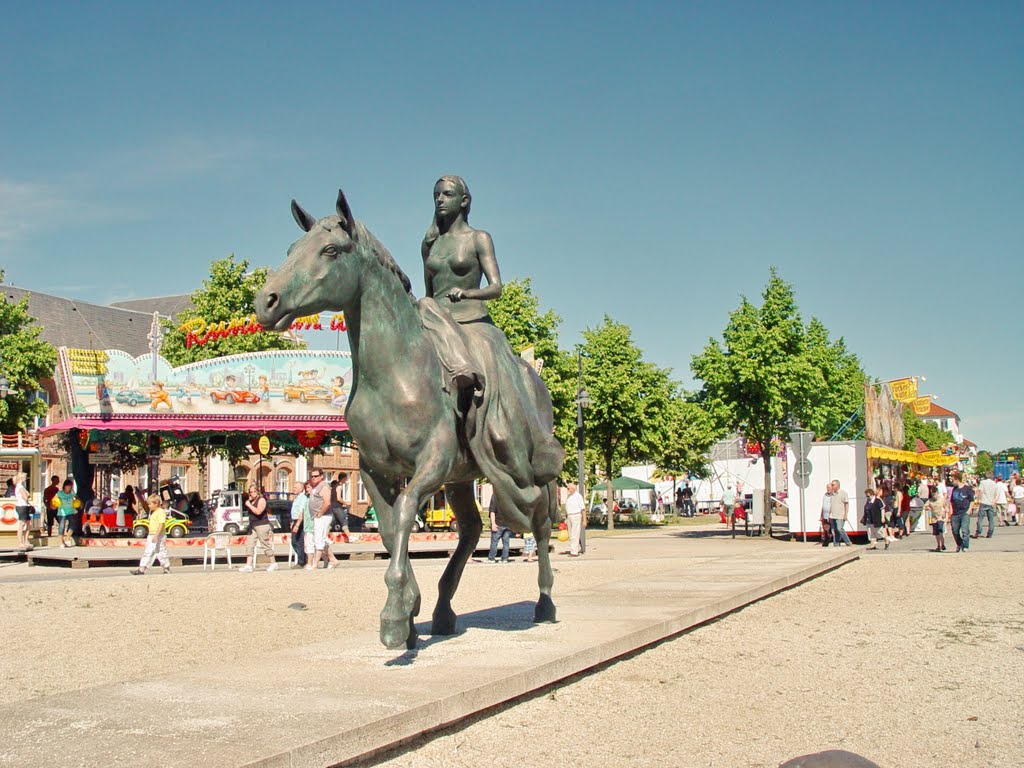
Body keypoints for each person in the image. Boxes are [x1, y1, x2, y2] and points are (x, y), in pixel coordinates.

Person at [418, 175, 502, 399]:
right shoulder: (430, 244)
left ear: (464, 201)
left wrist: (467, 293)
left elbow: (496, 288)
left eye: (447, 194)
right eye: (436, 195)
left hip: (472, 319)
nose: (440, 200)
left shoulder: (479, 238)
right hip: (436, 319)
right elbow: (429, 294)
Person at [238, 485, 277, 573]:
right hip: (252, 525)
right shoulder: (251, 501)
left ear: (258, 492)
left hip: (262, 524)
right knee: (250, 544)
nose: (252, 493)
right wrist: (249, 503)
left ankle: (273, 563)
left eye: (254, 491)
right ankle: (248, 565)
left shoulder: (261, 500)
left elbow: (258, 512)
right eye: (251, 492)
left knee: (265, 544)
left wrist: (249, 505)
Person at [131, 494, 170, 575]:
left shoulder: (160, 512)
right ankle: (142, 568)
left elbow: (161, 524)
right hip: (152, 534)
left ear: (156, 503)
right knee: (150, 551)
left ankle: (166, 567)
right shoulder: (153, 512)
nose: (149, 506)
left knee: (160, 551)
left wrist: (156, 535)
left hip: (158, 535)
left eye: (150, 504)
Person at [308, 470, 339, 570]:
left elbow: (327, 503)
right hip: (318, 516)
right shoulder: (316, 487)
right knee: (322, 539)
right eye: (312, 476)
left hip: (323, 516)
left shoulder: (324, 486)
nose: (313, 478)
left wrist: (320, 513)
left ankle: (315, 564)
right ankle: (333, 560)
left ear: (321, 476)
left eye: (316, 476)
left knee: (318, 539)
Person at [949, 474, 975, 552]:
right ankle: (959, 544)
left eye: (953, 480)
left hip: (964, 512)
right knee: (955, 531)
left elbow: (972, 500)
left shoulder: (967, 489)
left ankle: (965, 546)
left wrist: (969, 510)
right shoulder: (954, 489)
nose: (952, 482)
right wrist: (951, 511)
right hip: (955, 513)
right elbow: (951, 501)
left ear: (957, 480)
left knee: (965, 530)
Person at [53, 480, 78, 548]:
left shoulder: (72, 493)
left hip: (70, 511)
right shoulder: (59, 493)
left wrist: (77, 502)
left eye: (71, 486)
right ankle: (61, 542)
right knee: (62, 526)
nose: (69, 488)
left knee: (73, 523)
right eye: (68, 486)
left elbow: (76, 498)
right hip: (62, 512)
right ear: (65, 486)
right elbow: (54, 501)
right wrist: (54, 505)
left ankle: (67, 538)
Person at [487, 494, 512, 563]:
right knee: (506, 542)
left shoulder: (495, 496)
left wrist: (493, 523)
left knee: (494, 542)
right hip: (508, 524)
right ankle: (505, 558)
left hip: (498, 523)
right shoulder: (509, 496)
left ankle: (491, 558)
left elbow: (492, 511)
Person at [289, 480, 308, 568]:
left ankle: (302, 561)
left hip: (300, 521)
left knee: (298, 541)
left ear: (301, 489)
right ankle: (303, 559)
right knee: (294, 542)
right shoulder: (297, 498)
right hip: (295, 520)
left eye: (296, 487)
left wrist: (297, 524)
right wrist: (292, 522)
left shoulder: (303, 498)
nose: (294, 489)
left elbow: (302, 512)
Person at [828, 479, 852, 547]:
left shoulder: (843, 493)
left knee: (840, 528)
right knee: (835, 530)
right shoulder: (832, 494)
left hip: (840, 515)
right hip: (833, 515)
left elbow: (846, 504)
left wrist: (846, 514)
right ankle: (836, 543)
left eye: (833, 485)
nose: (832, 486)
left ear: (837, 485)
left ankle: (848, 542)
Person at [13, 472, 33, 551]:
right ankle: (20, 542)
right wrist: (27, 495)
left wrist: (27, 495)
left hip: (25, 506)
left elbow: (28, 494)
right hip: (22, 506)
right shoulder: (20, 486)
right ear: (21, 478)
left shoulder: (22, 486)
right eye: (25, 477)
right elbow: (26, 496)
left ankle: (26, 540)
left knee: (29, 523)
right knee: (22, 524)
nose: (26, 478)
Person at [564, 482, 585, 557]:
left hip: (576, 515)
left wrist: (584, 520)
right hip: (569, 516)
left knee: (574, 534)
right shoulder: (569, 496)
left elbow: (583, 509)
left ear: (573, 489)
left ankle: (574, 552)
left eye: (568, 488)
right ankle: (576, 548)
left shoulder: (578, 496)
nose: (567, 489)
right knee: (571, 534)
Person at [925, 488, 949, 552]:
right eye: (933, 495)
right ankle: (938, 545)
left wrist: (946, 511)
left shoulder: (942, 499)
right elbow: (925, 506)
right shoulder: (930, 500)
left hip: (941, 517)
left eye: (935, 495)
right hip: (934, 519)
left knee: (941, 530)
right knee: (936, 533)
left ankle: (943, 544)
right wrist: (928, 508)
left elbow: (946, 506)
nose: (934, 496)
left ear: (938, 493)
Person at [974, 473, 997, 539]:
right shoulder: (994, 483)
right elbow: (996, 494)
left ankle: (978, 532)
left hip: (983, 501)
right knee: (991, 519)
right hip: (991, 502)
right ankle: (990, 533)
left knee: (980, 518)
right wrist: (994, 501)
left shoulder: (983, 482)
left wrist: (978, 499)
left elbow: (980, 491)